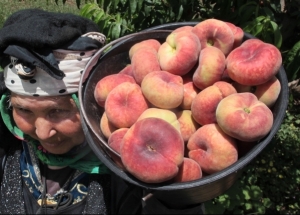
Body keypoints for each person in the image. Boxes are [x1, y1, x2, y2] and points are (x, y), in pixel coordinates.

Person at [0, 9, 205, 214]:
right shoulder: (8, 147)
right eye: (23, 109)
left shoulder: (127, 166)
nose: (43, 132)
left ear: (87, 105)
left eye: (57, 111)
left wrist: (178, 199)